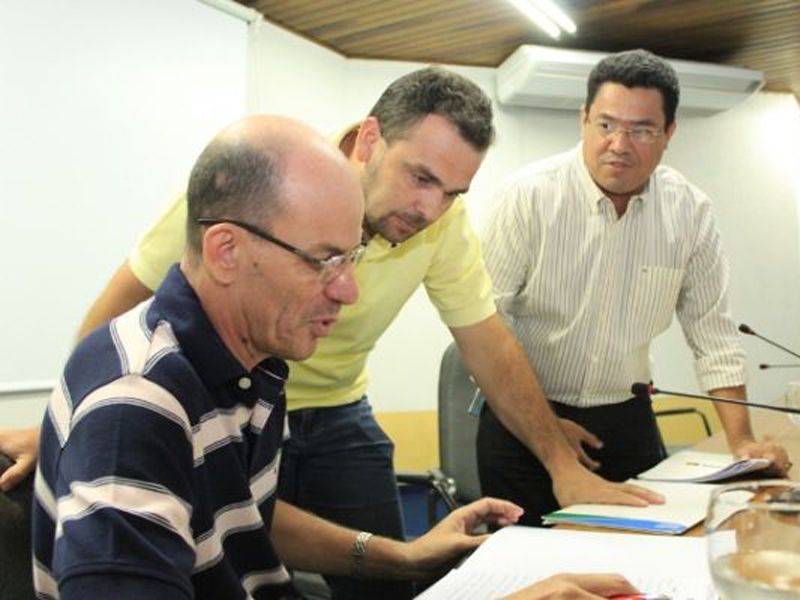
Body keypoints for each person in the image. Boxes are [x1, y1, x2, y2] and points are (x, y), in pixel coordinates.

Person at [7, 67, 659, 599]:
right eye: (324, 259)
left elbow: (243, 513)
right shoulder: (261, 183)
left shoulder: (257, 378)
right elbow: (120, 329)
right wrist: (71, 432)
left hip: (300, 409)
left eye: (453, 193)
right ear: (369, 141)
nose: (431, 210)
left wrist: (407, 554)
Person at [477, 48, 791, 526]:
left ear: (669, 134)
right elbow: (484, 328)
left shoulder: (690, 211)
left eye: (642, 130)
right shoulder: (527, 197)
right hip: (524, 416)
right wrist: (544, 426)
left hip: (625, 419)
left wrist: (742, 442)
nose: (620, 144)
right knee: (532, 568)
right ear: (583, 119)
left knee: (646, 555)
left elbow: (714, 336)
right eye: (606, 125)